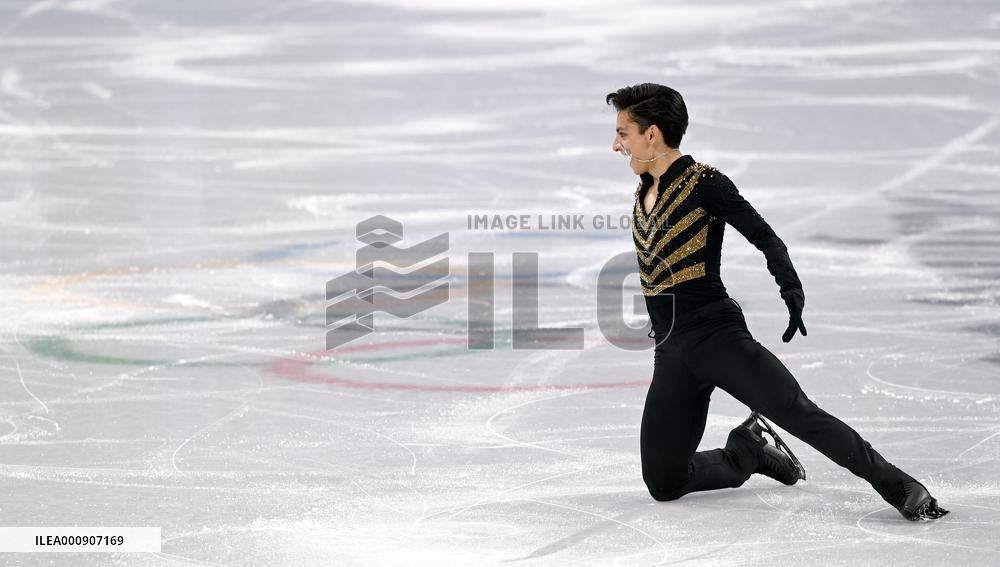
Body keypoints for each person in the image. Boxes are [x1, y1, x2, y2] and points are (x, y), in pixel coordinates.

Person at [607, 82, 949, 521]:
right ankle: (747, 453)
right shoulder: (644, 190)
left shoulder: (704, 183)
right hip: (672, 350)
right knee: (664, 482)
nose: (615, 144)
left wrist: (789, 285)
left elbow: (764, 236)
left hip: (717, 336)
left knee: (798, 413)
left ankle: (901, 486)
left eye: (623, 133)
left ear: (652, 134)